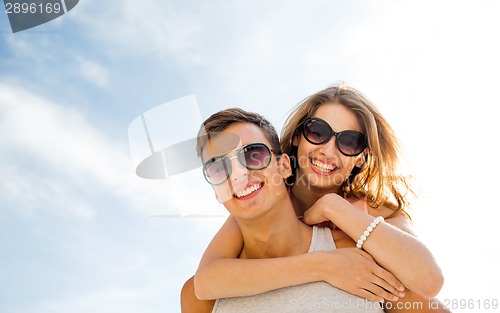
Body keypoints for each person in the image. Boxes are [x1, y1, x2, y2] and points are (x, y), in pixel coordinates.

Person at [181, 84, 448, 312]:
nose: (327, 151)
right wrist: (323, 265)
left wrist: (335, 208)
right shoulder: (257, 194)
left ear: (361, 158)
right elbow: (205, 282)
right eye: (318, 132)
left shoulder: (373, 216)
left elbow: (428, 280)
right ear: (298, 137)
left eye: (349, 142)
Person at [191, 107, 386, 312]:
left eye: (253, 155)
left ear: (284, 166)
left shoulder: (362, 255)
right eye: (218, 168)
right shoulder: (202, 299)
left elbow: (422, 284)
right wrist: (322, 265)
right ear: (215, 190)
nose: (238, 175)